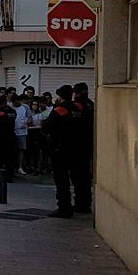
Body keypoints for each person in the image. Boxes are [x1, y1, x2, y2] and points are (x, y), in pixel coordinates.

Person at [43, 85, 83, 217]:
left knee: (61, 178)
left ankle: (64, 207)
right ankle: (81, 203)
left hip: (60, 149)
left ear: (60, 97)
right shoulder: (78, 108)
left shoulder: (59, 110)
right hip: (77, 148)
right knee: (78, 177)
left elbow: (47, 127)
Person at [71, 82, 95, 213]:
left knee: (78, 177)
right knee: (85, 177)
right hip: (89, 145)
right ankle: (86, 203)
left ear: (77, 93)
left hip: (77, 145)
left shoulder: (76, 106)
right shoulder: (91, 105)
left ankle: (81, 204)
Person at [13, 94, 32, 176]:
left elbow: (30, 118)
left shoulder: (25, 107)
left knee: (21, 149)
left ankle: (20, 167)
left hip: (22, 132)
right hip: (13, 131)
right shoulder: (10, 107)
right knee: (13, 150)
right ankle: (13, 166)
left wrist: (25, 123)